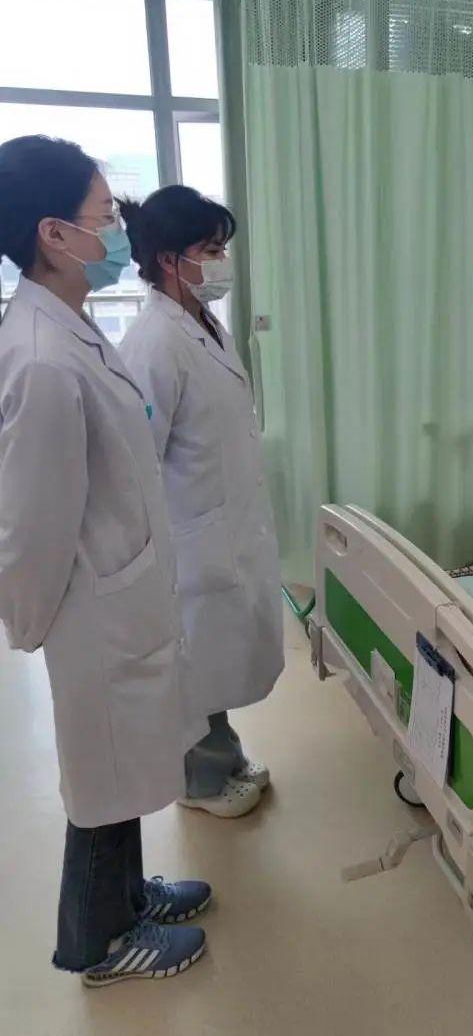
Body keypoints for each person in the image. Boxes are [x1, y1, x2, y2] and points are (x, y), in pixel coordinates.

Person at [0, 136, 210, 985]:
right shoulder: (43, 358)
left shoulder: (71, 324)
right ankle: (98, 946)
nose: (119, 229)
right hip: (93, 612)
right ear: (54, 234)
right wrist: (32, 622)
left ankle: (127, 900)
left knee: (120, 770)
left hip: (119, 594)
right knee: (100, 784)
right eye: (105, 216)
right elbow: (31, 523)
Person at [118, 186, 283, 819]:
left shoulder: (202, 323)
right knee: (195, 670)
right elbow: (138, 460)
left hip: (223, 529)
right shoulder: (154, 343)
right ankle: (201, 783)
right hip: (190, 539)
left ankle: (225, 758)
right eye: (210, 250)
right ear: (169, 258)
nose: (222, 262)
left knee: (215, 663)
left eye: (222, 249)